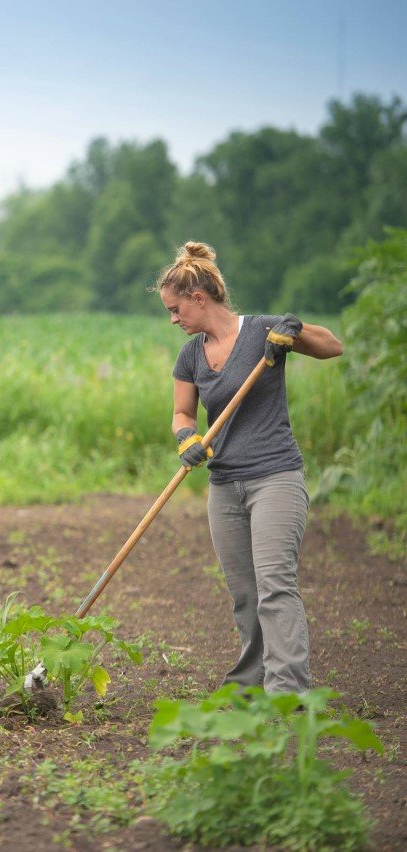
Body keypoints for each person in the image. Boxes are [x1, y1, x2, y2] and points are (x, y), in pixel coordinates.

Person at [154, 242, 342, 694]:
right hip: (225, 486)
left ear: (200, 299)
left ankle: (288, 690)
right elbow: (182, 414)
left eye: (176, 309)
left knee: (275, 585)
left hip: (274, 476)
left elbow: (332, 346)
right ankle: (250, 683)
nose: (173, 319)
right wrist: (187, 438)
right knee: (244, 592)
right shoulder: (191, 356)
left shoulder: (263, 332)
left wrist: (293, 332)